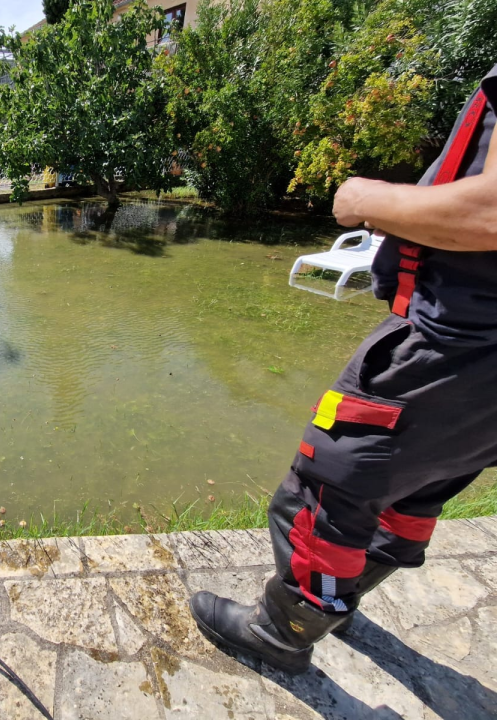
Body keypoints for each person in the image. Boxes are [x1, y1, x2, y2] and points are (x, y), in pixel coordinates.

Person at [190, 64, 497, 675]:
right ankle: (339, 597)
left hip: (452, 341)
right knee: (420, 484)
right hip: (482, 359)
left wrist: (367, 199)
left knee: (329, 478)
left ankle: (285, 627)